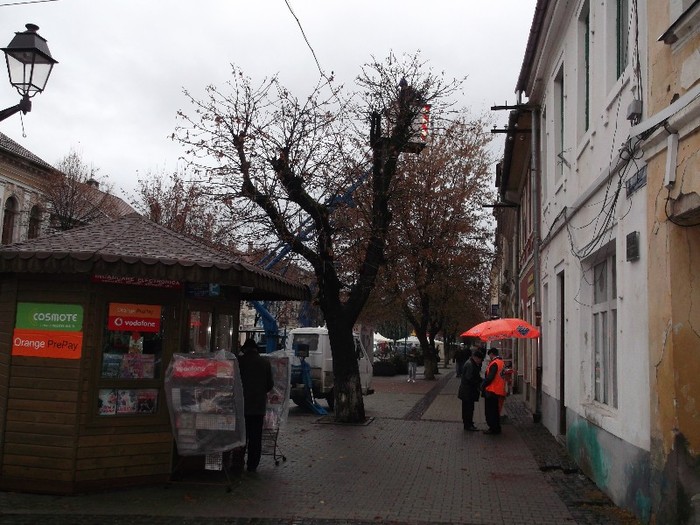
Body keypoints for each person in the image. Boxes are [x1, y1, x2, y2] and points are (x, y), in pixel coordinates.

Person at [238, 338, 274, 472]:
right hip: (258, 407)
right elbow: (270, 384)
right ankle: (252, 465)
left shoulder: (239, 362)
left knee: (242, 436)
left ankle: (238, 462)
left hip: (241, 406)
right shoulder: (265, 363)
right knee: (255, 437)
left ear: (245, 349)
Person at [481, 348, 506, 435]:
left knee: (490, 411)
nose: (489, 357)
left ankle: (493, 428)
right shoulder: (501, 362)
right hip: (499, 389)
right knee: (495, 410)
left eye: (489, 355)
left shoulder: (494, 364)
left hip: (492, 390)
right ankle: (496, 427)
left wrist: (483, 385)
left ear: (492, 354)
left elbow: (490, 378)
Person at [457, 349, 484, 431]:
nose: (480, 361)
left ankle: (469, 423)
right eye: (480, 359)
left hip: (468, 391)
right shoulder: (470, 364)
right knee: (468, 409)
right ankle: (468, 425)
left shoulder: (472, 363)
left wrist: (481, 380)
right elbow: (469, 378)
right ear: (476, 357)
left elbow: (474, 376)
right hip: (467, 391)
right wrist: (478, 383)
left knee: (469, 408)